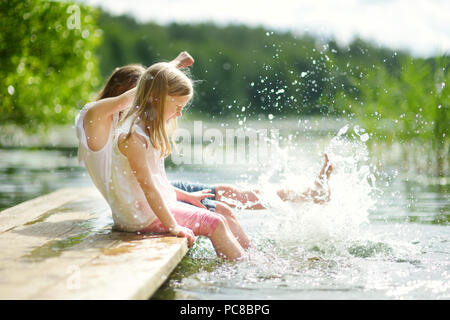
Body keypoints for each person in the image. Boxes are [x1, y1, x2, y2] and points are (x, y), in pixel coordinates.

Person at [108, 62, 246, 261]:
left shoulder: (146, 130)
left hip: (148, 210)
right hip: (139, 218)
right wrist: (173, 226)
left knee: (222, 213)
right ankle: (242, 268)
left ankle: (252, 258)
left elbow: (157, 181)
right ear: (157, 100)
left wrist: (185, 196)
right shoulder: (133, 138)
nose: (179, 113)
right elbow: (148, 187)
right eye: (177, 107)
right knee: (216, 224)